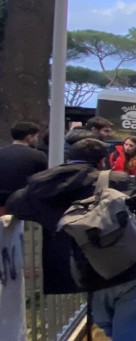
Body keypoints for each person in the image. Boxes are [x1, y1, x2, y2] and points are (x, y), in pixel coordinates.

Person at [8, 138, 136, 340]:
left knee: (104, 320)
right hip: (135, 261)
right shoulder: (115, 179)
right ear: (102, 161)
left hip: (88, 269)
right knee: (128, 329)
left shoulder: (44, 185)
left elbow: (14, 205)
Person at [0, 122, 47, 341]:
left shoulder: (1, 153)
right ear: (30, 136)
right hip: (23, 212)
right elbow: (42, 185)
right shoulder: (36, 157)